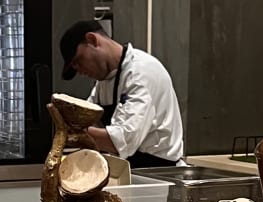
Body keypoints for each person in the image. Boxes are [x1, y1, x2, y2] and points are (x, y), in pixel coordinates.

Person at [58, 20, 184, 167]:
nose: (80, 71)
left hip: (158, 171)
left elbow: (124, 139)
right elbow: (89, 118)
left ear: (92, 40)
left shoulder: (141, 72)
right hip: (129, 168)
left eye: (79, 61)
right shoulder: (103, 82)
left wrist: (70, 132)